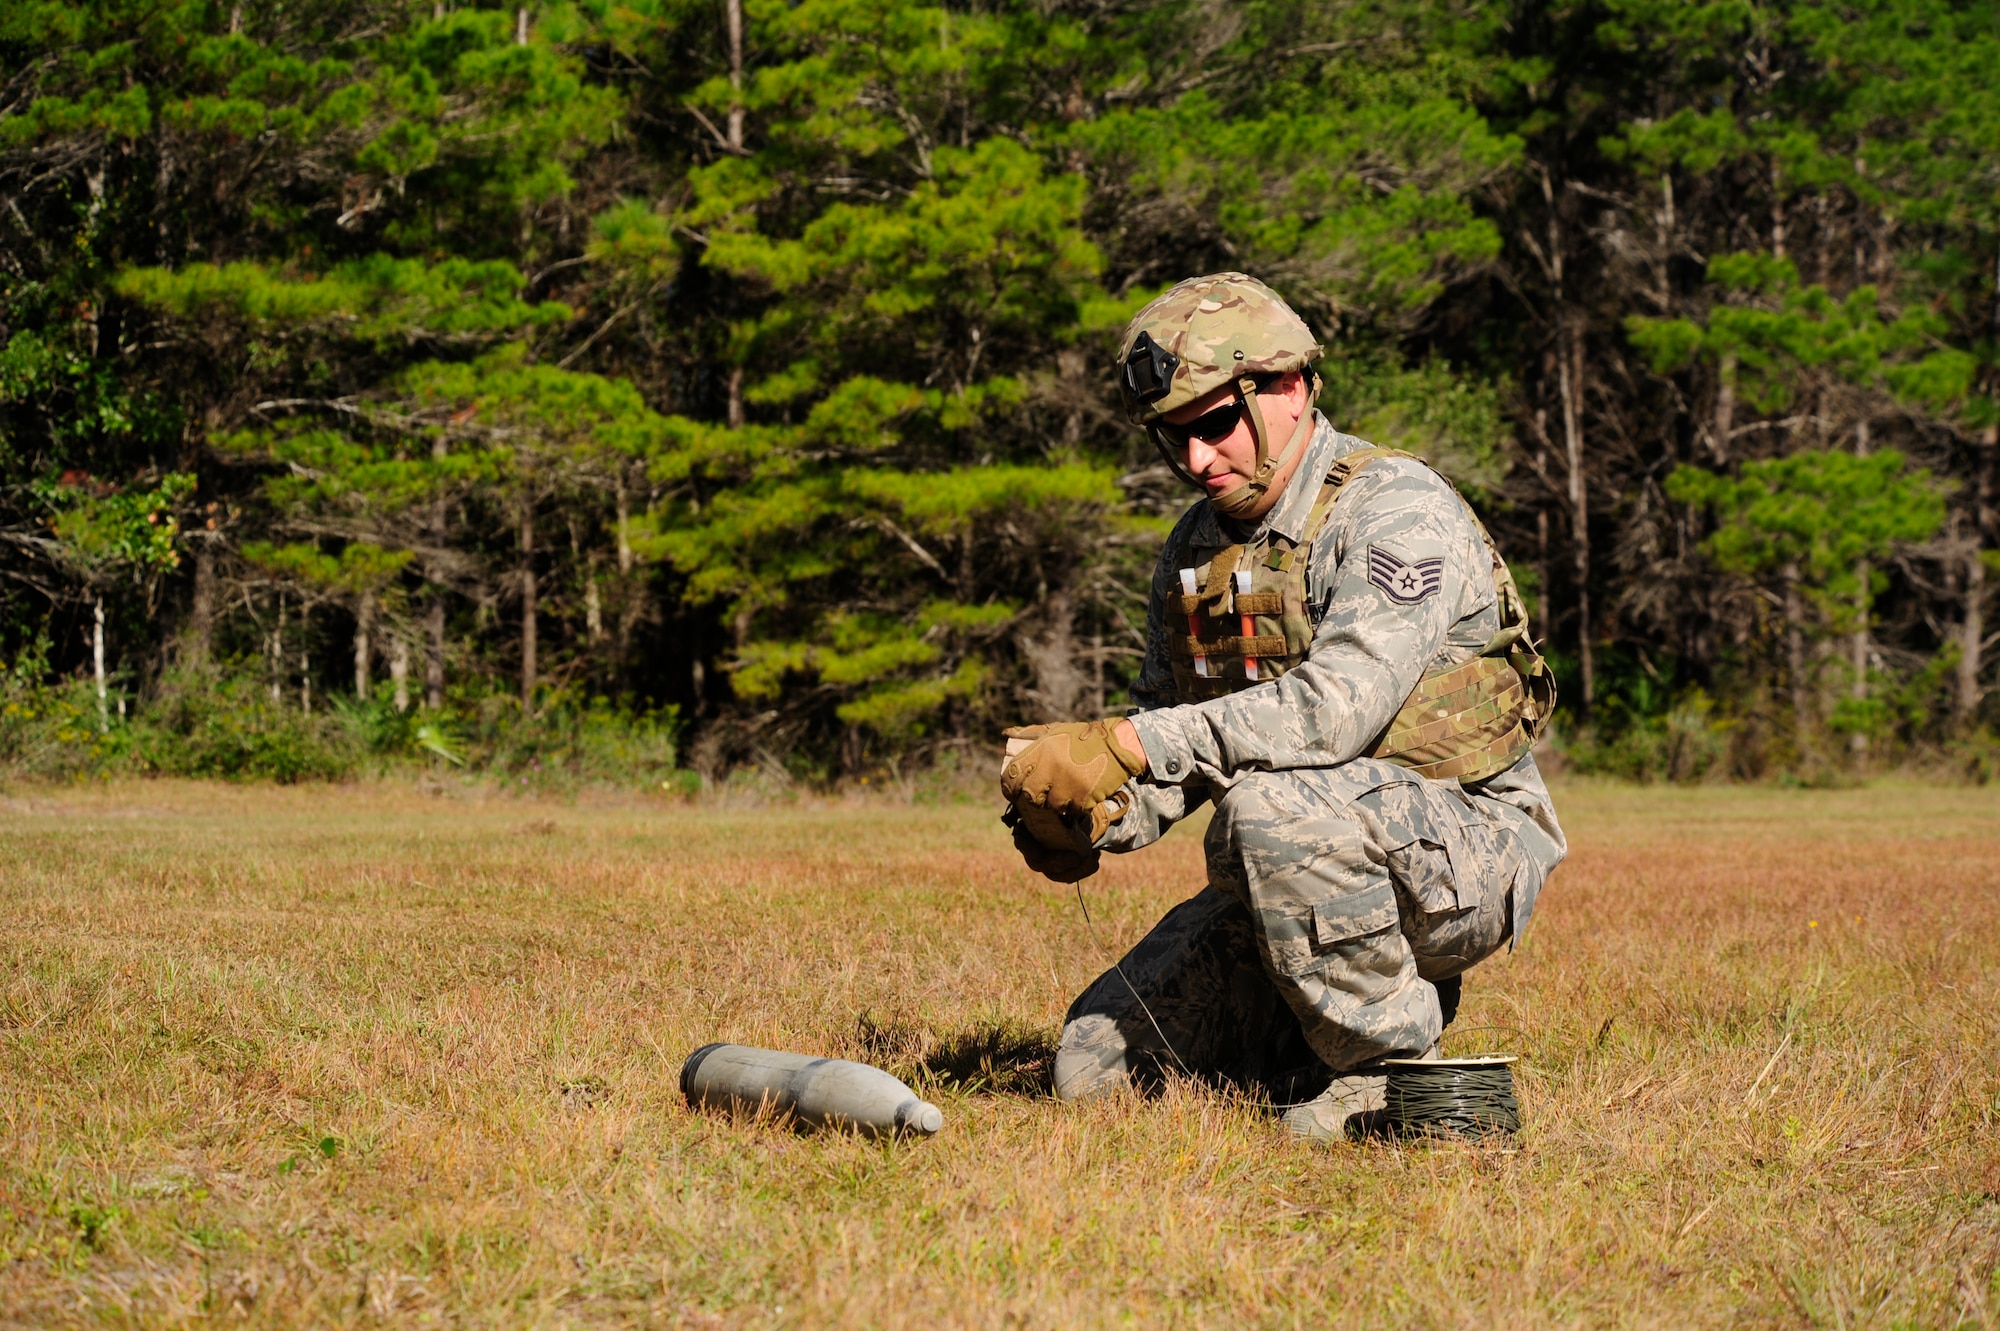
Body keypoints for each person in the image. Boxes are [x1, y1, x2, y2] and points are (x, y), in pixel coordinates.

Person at [998, 273, 1567, 1140]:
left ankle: (1387, 1069)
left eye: (1214, 425)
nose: (1196, 460)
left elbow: (1333, 710)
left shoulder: (1396, 509)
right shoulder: (1196, 548)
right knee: (1091, 1070)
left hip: (1466, 845)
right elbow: (1171, 728)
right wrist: (1092, 811)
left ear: (1288, 388)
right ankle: (1310, 1032)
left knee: (1264, 810)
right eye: (1173, 437)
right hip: (1290, 866)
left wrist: (1126, 743)